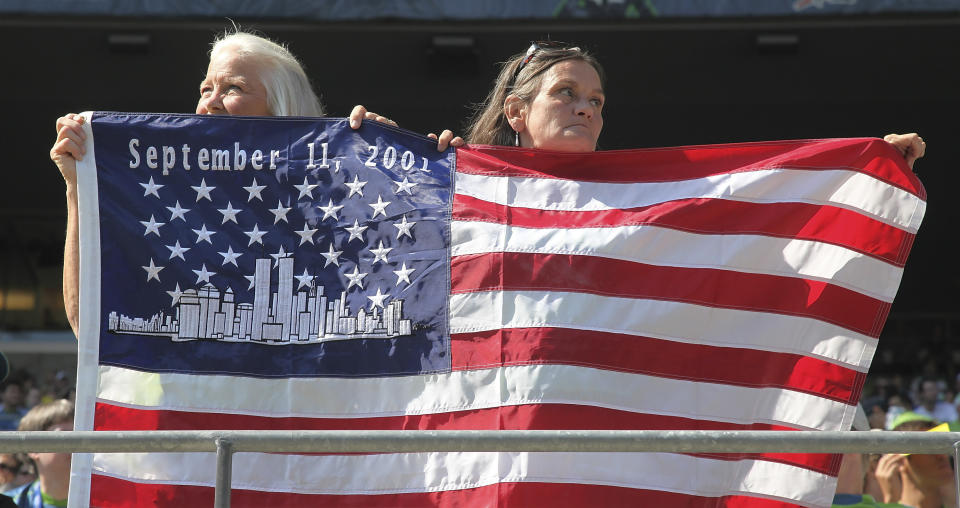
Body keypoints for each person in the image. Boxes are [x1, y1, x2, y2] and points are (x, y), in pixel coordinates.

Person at [51, 29, 460, 338]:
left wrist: (417, 171)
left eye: (233, 88)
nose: (209, 101)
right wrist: (77, 188)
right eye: (206, 87)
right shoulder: (171, 204)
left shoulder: (338, 197)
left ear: (283, 106)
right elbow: (88, 324)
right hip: (193, 438)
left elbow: (420, 298)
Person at [465, 40, 926, 160]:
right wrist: (396, 150)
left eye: (597, 101)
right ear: (516, 112)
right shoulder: (456, 183)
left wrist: (867, 161)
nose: (586, 108)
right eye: (566, 93)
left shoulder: (639, 194)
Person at [1, 400, 74, 508]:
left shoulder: (106, 500)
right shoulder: (10, 503)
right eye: (64, 435)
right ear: (33, 448)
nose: (75, 444)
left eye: (79, 435)